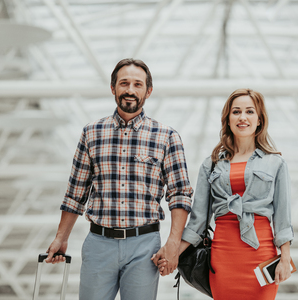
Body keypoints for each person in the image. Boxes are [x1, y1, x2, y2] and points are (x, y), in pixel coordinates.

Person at [45, 58, 193, 300]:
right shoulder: (91, 133)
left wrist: (173, 243)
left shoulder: (167, 137)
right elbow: (76, 192)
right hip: (98, 243)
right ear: (113, 88)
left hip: (144, 246)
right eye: (124, 83)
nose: (130, 90)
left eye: (138, 84)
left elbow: (180, 194)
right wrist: (61, 237)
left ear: (149, 91)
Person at [158, 88, 294, 299]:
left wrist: (285, 258)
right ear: (228, 120)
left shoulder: (275, 163)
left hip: (261, 257)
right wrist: (172, 250)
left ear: (259, 120)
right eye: (236, 112)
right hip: (222, 259)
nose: (242, 117)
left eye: (250, 112)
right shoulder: (211, 165)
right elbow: (198, 222)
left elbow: (282, 219)